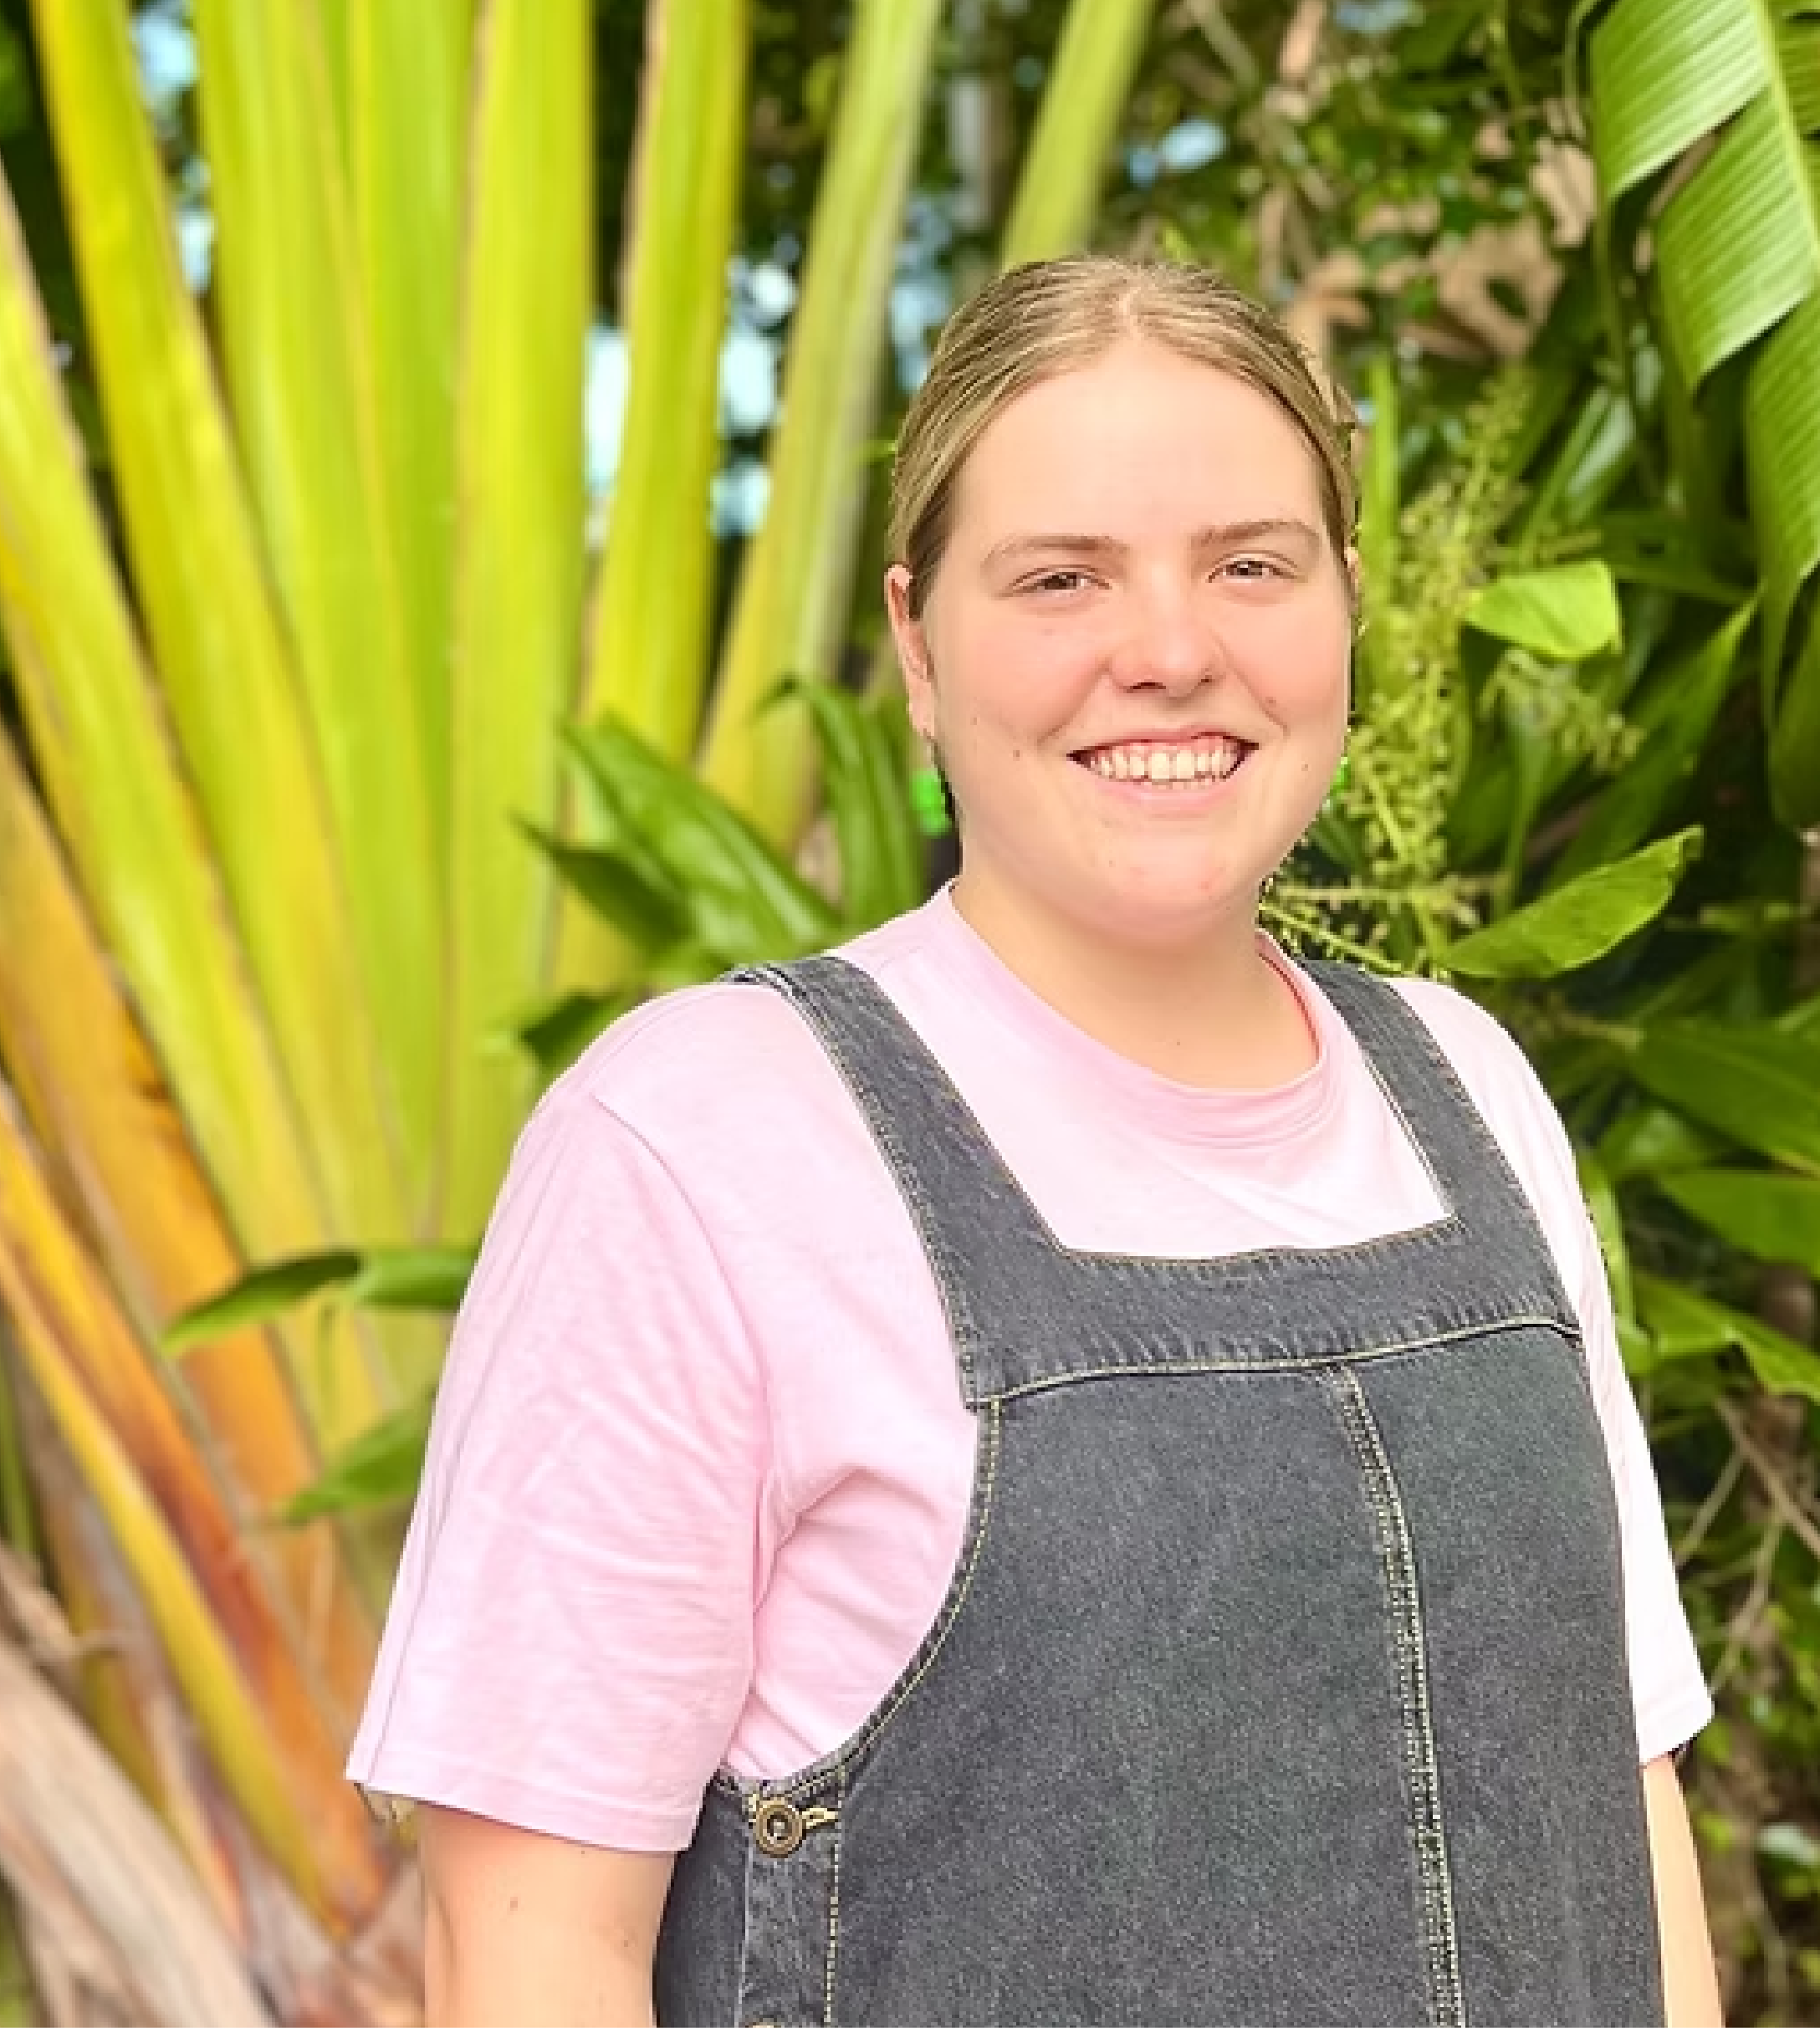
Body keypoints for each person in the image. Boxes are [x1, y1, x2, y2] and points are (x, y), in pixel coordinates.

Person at [351, 255, 1723, 2028]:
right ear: (919, 646)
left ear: (1348, 606)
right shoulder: (697, 1145)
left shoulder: (1473, 1096)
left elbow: (1627, 1816)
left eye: (1251, 563)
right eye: (1061, 578)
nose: (1168, 651)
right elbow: (532, 1956)